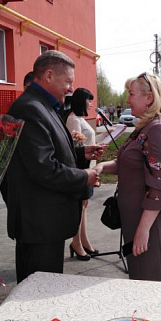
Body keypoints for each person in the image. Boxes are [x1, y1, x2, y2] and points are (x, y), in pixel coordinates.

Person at [0, 50, 102, 283]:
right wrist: (83, 176)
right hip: (39, 223)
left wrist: (79, 153)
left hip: (45, 222)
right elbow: (41, 168)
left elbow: (42, 152)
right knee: (39, 291)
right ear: (48, 75)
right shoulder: (30, 108)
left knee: (45, 288)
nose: (70, 89)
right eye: (68, 81)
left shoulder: (43, 105)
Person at [94, 72, 161, 283]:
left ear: (149, 98)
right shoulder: (145, 127)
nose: (127, 100)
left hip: (155, 223)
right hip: (142, 219)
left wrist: (143, 230)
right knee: (144, 280)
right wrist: (101, 167)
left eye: (131, 94)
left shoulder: (159, 129)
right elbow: (129, 165)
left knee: (159, 280)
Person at [65, 88, 103, 261]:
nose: (91, 104)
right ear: (81, 101)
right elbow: (74, 147)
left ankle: (85, 241)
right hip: (81, 169)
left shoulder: (80, 118)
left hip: (90, 167)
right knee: (80, 206)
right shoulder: (73, 119)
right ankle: (76, 243)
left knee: (84, 205)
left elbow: (88, 140)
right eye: (89, 100)